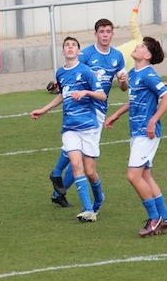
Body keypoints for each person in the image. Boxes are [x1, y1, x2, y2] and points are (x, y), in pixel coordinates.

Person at [47, 16, 129, 210]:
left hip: (99, 109)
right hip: (82, 108)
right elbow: (70, 74)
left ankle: (59, 190)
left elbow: (124, 88)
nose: (105, 35)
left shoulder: (117, 56)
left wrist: (123, 81)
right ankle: (60, 182)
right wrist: (56, 87)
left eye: (108, 32)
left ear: (112, 34)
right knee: (79, 155)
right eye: (101, 32)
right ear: (96, 34)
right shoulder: (85, 55)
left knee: (80, 156)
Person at [104, 36, 167, 236]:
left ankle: (154, 218)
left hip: (147, 133)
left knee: (133, 176)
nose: (137, 46)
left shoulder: (149, 74)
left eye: (142, 46)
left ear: (147, 56)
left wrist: (153, 121)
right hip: (136, 131)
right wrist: (117, 114)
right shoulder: (134, 73)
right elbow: (134, 99)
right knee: (145, 176)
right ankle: (165, 217)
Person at [32, 37, 109, 222]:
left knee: (90, 172)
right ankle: (88, 210)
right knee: (75, 165)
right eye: (67, 45)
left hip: (88, 127)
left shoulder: (86, 71)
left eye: (73, 45)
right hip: (69, 128)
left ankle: (99, 198)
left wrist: (86, 92)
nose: (70, 47)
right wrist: (44, 110)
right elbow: (62, 95)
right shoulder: (60, 73)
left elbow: (102, 95)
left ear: (79, 51)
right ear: (63, 51)